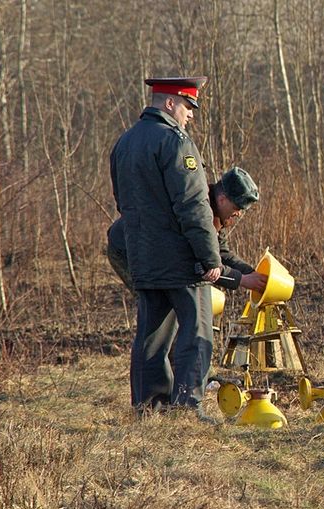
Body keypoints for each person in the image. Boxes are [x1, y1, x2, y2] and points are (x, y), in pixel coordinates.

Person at [110, 76, 222, 414]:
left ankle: (149, 407)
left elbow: (122, 203)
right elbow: (193, 205)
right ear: (170, 103)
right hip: (179, 259)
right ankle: (188, 408)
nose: (190, 116)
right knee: (196, 331)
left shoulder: (125, 143)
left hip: (141, 255)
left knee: (151, 337)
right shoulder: (175, 143)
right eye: (188, 107)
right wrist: (209, 255)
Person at [107, 166, 268, 294]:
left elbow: (220, 252)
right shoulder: (198, 212)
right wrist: (242, 280)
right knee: (157, 299)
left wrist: (252, 274)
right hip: (127, 246)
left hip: (156, 248)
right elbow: (201, 263)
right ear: (222, 199)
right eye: (237, 207)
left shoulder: (216, 211)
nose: (238, 213)